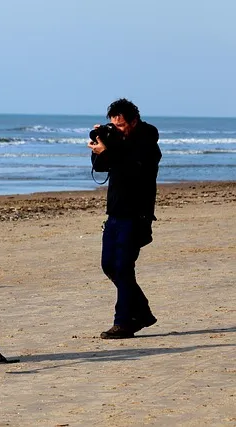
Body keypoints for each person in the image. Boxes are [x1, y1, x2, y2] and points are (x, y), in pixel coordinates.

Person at [87, 98, 162, 339]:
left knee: (124, 267)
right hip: (115, 212)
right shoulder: (117, 140)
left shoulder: (148, 140)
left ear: (134, 121)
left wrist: (110, 150)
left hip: (136, 214)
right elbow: (100, 168)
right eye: (114, 125)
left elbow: (135, 168)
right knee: (109, 265)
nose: (117, 129)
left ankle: (124, 322)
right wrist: (100, 145)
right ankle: (143, 312)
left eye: (120, 126)